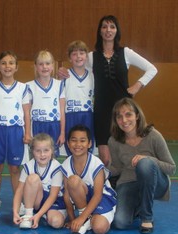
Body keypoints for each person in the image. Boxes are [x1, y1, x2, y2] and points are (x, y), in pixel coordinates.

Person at [58, 15, 157, 168]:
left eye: (112, 27)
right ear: (100, 31)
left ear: (117, 31)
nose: (108, 30)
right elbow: (78, 67)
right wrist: (63, 71)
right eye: (104, 27)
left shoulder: (126, 53)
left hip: (123, 110)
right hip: (101, 111)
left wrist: (138, 85)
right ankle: (105, 188)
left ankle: (125, 186)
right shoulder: (91, 56)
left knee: (126, 154)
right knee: (105, 159)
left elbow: (152, 69)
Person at [108, 98, 175, 234]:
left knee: (144, 164)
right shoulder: (113, 141)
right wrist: (96, 170)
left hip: (157, 183)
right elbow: (117, 168)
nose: (124, 120)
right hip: (129, 183)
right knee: (119, 223)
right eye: (119, 116)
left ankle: (146, 218)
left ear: (137, 115)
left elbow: (171, 168)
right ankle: (138, 207)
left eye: (128, 114)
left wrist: (149, 159)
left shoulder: (153, 136)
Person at [0, 51, 31, 209]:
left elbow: (26, 112)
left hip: (16, 131)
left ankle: (18, 201)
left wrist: (27, 132)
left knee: (15, 168)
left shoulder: (23, 88)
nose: (7, 66)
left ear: (16, 67)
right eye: (3, 63)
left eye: (11, 63)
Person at [61, 125, 117, 234]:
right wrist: (73, 219)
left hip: (102, 198)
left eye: (82, 140)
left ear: (89, 144)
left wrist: (81, 218)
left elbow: (97, 195)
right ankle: (87, 218)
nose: (78, 144)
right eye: (74, 140)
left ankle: (88, 219)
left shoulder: (96, 164)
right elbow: (66, 196)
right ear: (68, 143)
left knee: (99, 229)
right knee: (73, 181)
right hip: (84, 201)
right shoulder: (66, 164)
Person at [13, 133, 66, 229]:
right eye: (38, 151)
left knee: (56, 223)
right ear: (32, 151)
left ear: (52, 151)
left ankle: (42, 215)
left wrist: (38, 215)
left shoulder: (56, 168)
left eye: (46, 150)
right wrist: (15, 212)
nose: (42, 154)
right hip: (38, 200)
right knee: (33, 178)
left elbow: (53, 196)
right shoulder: (28, 166)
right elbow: (19, 190)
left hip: (54, 202)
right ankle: (28, 215)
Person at [26, 50, 65, 157]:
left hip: (54, 125)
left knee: (52, 156)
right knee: (37, 156)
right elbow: (27, 113)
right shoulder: (28, 86)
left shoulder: (59, 85)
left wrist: (62, 133)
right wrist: (28, 132)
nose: (44, 67)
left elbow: (62, 111)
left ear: (53, 66)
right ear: (35, 66)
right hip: (37, 125)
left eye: (47, 63)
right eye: (41, 64)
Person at [61, 40, 94, 156]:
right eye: (74, 54)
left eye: (81, 53)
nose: (78, 56)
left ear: (86, 56)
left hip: (88, 115)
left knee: (87, 148)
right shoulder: (64, 76)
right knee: (72, 147)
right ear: (70, 58)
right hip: (70, 115)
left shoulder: (93, 76)